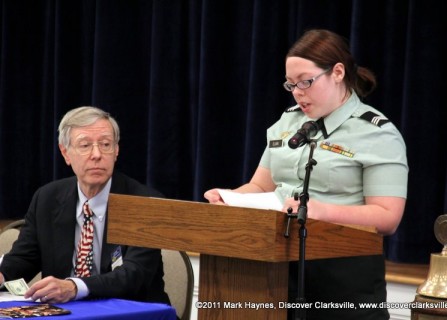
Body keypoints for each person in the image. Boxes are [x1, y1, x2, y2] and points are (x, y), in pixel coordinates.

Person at [204, 29, 408, 319]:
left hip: (343, 282)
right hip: (275, 275)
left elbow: (388, 217)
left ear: (337, 72)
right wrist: (232, 198)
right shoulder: (288, 122)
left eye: (306, 82)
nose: (298, 92)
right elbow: (262, 186)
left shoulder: (377, 133)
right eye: (291, 85)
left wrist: (319, 211)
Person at [0, 106, 171, 306]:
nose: (97, 154)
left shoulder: (143, 203)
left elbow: (133, 275)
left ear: (116, 151)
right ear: (65, 153)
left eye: (106, 144)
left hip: (130, 311)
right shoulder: (47, 198)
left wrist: (74, 287)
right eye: (85, 145)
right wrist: (3, 274)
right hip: (66, 313)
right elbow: (24, 258)